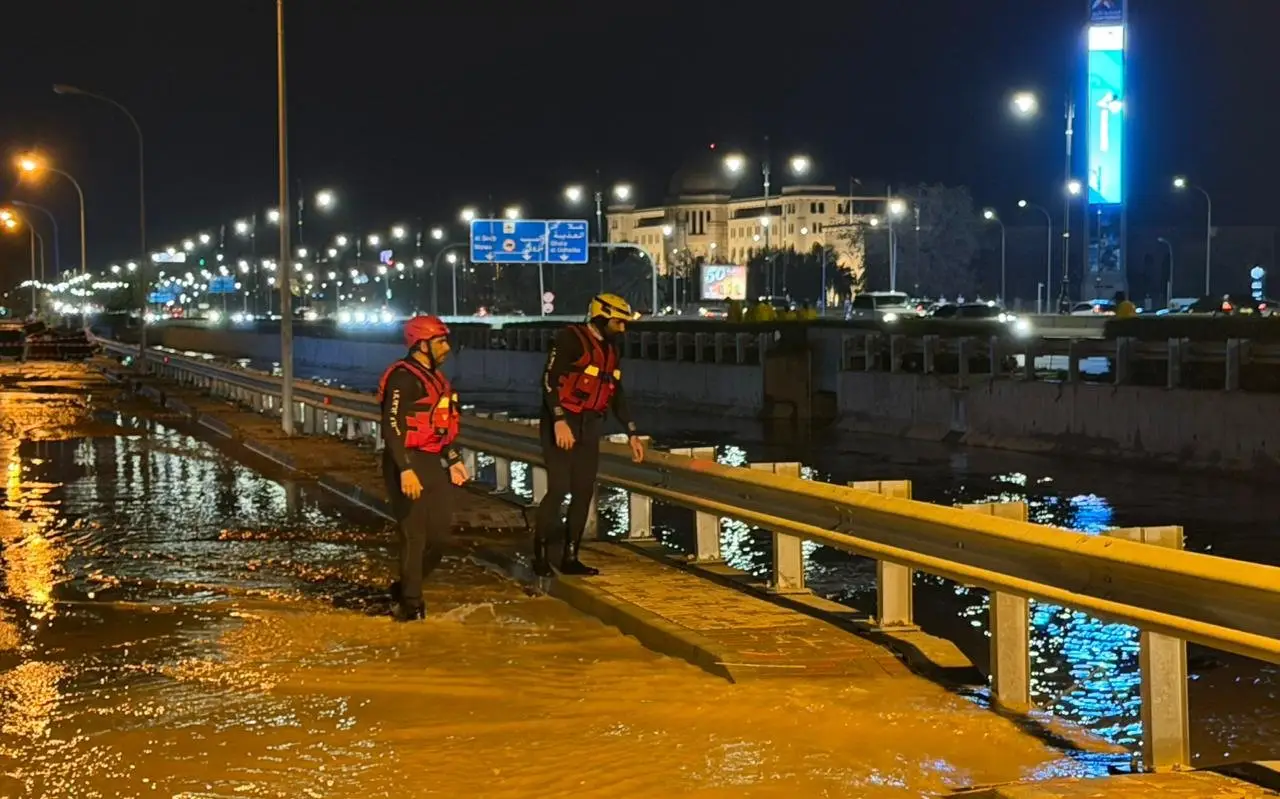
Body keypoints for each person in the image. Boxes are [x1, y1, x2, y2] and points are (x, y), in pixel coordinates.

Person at [534, 293, 646, 577]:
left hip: (589, 424)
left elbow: (616, 393)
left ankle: (571, 556)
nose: (623, 328)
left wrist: (631, 431)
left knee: (584, 491)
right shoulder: (570, 338)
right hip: (561, 421)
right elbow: (548, 380)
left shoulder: (611, 351)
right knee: (559, 488)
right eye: (619, 322)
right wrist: (559, 420)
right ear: (601, 316)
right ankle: (540, 553)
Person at [378, 315, 469, 621]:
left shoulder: (439, 380)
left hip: (431, 460)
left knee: (440, 535)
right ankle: (411, 605)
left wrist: (454, 459)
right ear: (421, 345)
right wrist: (405, 469)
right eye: (440, 341)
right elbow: (391, 428)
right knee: (414, 535)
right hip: (404, 460)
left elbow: (440, 427)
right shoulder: (403, 378)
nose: (447, 347)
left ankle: (404, 586)